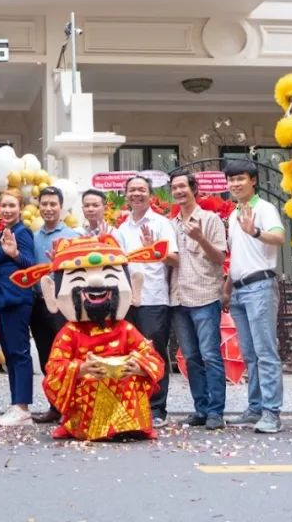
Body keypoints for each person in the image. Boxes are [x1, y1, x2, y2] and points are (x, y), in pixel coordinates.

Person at [11, 236, 166, 441]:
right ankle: (97, 428)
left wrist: (138, 367)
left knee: (130, 379)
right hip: (86, 390)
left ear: (134, 288)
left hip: (124, 385)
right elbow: (54, 370)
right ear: (52, 295)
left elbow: (152, 357)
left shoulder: (125, 328)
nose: (96, 282)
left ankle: (128, 426)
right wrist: (81, 369)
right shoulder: (70, 332)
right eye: (78, 279)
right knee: (94, 382)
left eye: (109, 276)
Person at [223, 159, 286, 434]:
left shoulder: (264, 208)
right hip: (238, 290)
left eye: (240, 179)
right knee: (250, 354)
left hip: (260, 286)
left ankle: (272, 412)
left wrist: (256, 231)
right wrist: (227, 289)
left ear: (253, 181)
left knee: (265, 352)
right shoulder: (233, 215)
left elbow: (279, 237)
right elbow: (237, 256)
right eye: (231, 180)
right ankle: (256, 407)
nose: (235, 184)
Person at [112, 175, 178, 428]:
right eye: (132, 190)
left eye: (141, 189)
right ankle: (135, 405)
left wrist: (155, 250)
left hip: (154, 298)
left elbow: (175, 259)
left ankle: (157, 408)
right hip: (127, 301)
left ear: (151, 195)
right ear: (126, 195)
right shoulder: (121, 229)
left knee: (154, 352)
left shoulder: (162, 224)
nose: (136, 194)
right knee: (129, 354)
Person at [168, 171, 228, 430]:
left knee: (210, 355)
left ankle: (216, 411)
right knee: (191, 357)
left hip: (205, 296)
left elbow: (220, 258)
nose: (179, 191)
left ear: (194, 189)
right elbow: (172, 260)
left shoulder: (210, 220)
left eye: (183, 186)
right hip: (178, 298)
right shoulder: (170, 224)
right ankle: (201, 409)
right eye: (174, 187)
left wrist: (201, 239)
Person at [29, 186, 82, 424]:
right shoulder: (33, 237)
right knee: (46, 358)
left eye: (53, 204)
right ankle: (55, 405)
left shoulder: (73, 236)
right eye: (44, 204)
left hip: (63, 306)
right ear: (38, 207)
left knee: (68, 357)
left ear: (61, 207)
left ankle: (73, 407)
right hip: (38, 305)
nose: (48, 208)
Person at [0, 189, 38, 426]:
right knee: (9, 353)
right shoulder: (2, 233)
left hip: (17, 299)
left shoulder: (22, 232)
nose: (7, 210)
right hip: (1, 299)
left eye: (12, 205)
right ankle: (15, 404)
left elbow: (31, 265)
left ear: (20, 208)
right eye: (4, 206)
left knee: (19, 353)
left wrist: (16, 253)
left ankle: (23, 407)